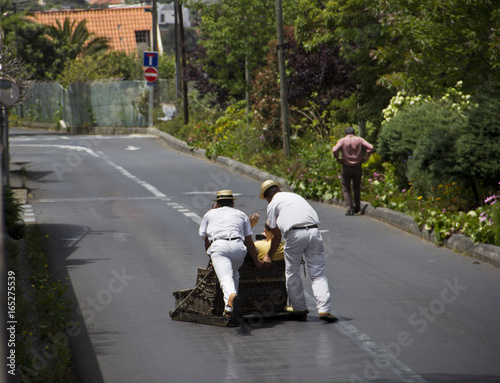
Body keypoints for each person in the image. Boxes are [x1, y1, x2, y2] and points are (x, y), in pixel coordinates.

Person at [259, 180, 337, 323]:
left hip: (295, 234)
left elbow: (276, 236)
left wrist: (268, 255)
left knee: (292, 272)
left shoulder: (272, 205)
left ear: (267, 197)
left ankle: (300, 308)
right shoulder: (294, 196)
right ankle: (324, 309)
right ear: (278, 190)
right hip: (314, 232)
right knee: (318, 273)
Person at [199, 190, 262, 325]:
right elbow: (249, 242)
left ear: (216, 203)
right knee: (234, 275)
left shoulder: (209, 214)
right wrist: (257, 261)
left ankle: (232, 298)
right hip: (238, 246)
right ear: (233, 203)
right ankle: (228, 310)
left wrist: (210, 255)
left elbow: (206, 239)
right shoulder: (241, 214)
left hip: (219, 246)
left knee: (225, 278)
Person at [332, 126, 374, 216]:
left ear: (345, 133)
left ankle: (350, 209)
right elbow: (370, 147)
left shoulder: (342, 140)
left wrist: (337, 158)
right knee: (356, 187)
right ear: (354, 133)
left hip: (346, 167)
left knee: (346, 188)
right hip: (357, 166)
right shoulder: (359, 140)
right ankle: (357, 208)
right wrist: (366, 158)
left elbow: (335, 149)